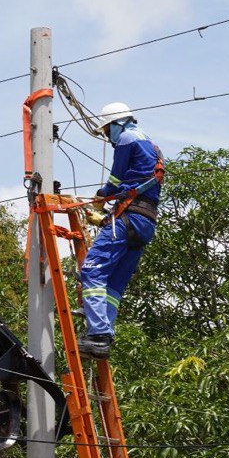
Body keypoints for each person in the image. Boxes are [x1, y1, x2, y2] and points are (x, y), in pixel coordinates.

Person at [76, 102, 163, 359]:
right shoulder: (150, 144)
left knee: (92, 271)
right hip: (145, 222)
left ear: (116, 123)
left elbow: (115, 181)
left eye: (106, 130)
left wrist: (101, 196)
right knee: (114, 283)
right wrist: (104, 218)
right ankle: (103, 332)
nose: (107, 135)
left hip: (129, 216)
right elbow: (135, 183)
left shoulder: (126, 138)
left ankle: (99, 332)